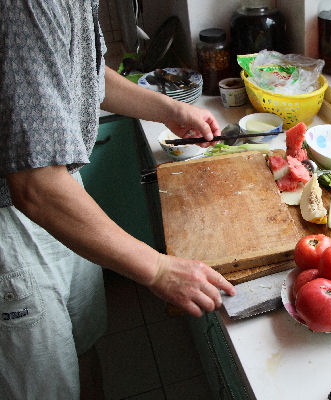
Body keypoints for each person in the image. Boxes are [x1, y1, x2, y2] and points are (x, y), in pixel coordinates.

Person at [0, 1, 236, 398]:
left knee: (83, 344)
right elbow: (35, 184)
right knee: (45, 388)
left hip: (64, 191)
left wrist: (169, 109)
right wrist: (157, 269)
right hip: (17, 219)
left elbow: (86, 79)